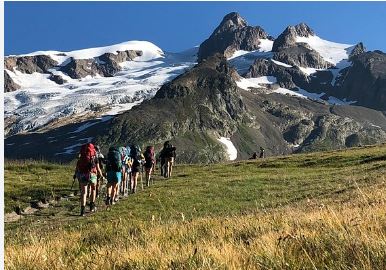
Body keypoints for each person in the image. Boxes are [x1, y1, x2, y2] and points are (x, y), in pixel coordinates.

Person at [74, 143, 103, 216]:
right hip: (92, 174)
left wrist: (75, 174)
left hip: (83, 174)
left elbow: (77, 167)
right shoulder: (94, 157)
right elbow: (98, 168)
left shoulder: (81, 157)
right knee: (93, 189)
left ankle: (82, 210)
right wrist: (101, 175)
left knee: (84, 192)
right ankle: (92, 207)